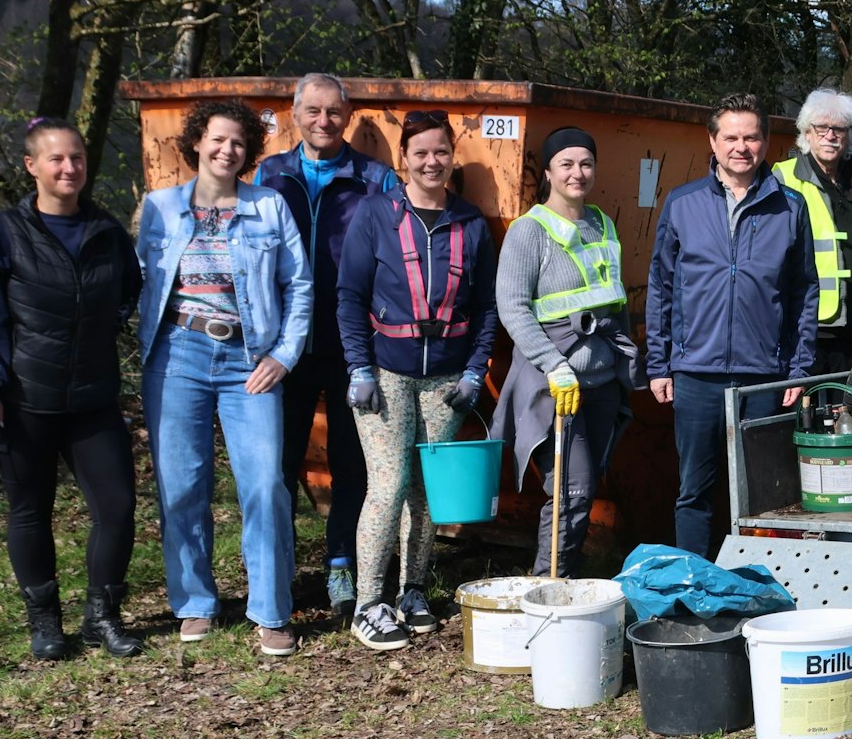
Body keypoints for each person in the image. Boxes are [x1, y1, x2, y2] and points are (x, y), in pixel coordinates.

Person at [0, 119, 143, 659]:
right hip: (23, 399)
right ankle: (46, 625)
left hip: (93, 398)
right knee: (28, 511)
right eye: (56, 159)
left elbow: (129, 291)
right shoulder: (4, 234)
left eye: (78, 158)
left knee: (117, 508)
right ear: (31, 166)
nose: (69, 168)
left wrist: (99, 333)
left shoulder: (107, 231)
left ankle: (101, 619)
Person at [138, 101, 311, 656]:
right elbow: (138, 284)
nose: (226, 150)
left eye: (237, 143)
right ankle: (193, 602)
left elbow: (299, 286)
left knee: (264, 483)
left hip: (249, 360)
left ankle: (270, 610)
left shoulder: (269, 207)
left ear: (248, 152)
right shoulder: (159, 208)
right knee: (183, 483)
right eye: (216, 140)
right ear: (196, 143)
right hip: (177, 355)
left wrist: (283, 356)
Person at [337, 111, 500, 648]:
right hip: (386, 374)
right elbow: (351, 298)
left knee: (427, 493)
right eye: (420, 152)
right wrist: (359, 367)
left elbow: (486, 308)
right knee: (386, 487)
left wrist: (477, 370)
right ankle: (368, 602)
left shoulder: (471, 223)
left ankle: (412, 590)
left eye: (440, 152)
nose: (431, 162)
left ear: (452, 156)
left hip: (447, 378)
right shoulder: (375, 214)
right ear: (402, 158)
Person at [254, 72, 398, 623]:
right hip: (281, 347)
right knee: (279, 462)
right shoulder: (271, 174)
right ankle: (280, 570)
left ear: (349, 116)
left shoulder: (376, 180)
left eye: (334, 112)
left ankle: (341, 562)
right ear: (294, 114)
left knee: (350, 460)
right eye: (312, 111)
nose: (323, 121)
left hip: (351, 346)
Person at [648, 95, 817, 558]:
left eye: (752, 137)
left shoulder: (790, 207)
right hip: (696, 373)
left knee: (764, 494)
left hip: (764, 376)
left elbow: (805, 291)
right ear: (713, 141)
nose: (742, 147)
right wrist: (659, 365)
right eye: (732, 137)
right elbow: (661, 287)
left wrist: (799, 368)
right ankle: (695, 589)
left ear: (766, 142)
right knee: (695, 490)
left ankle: (757, 586)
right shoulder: (682, 204)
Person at [495, 127, 643, 575]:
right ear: (548, 172)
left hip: (600, 385)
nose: (577, 173)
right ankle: (548, 590)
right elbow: (513, 308)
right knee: (570, 492)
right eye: (567, 164)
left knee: (585, 488)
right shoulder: (529, 231)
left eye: (586, 163)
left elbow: (614, 301)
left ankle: (567, 583)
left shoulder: (602, 223)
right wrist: (555, 366)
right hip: (555, 385)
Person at [772, 89, 852, 374]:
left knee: (849, 412)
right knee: (806, 414)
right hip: (807, 327)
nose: (830, 135)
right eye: (821, 127)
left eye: (839, 128)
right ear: (807, 133)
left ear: (850, 135)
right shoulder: (784, 178)